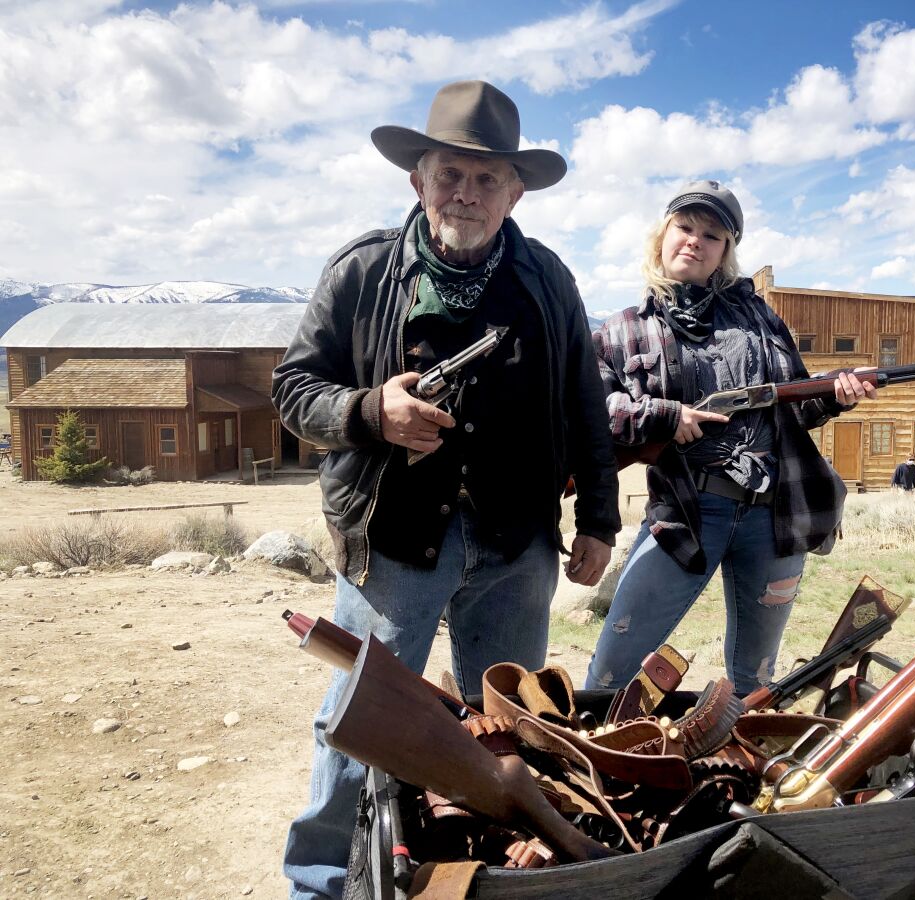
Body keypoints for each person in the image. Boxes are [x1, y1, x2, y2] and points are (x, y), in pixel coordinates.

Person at [272, 80, 620, 899]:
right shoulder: (362, 271)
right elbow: (293, 390)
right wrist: (370, 411)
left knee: (511, 728)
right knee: (357, 726)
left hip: (516, 544)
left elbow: (585, 405)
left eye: (485, 178)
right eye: (449, 175)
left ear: (515, 190)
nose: (465, 193)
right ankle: (318, 884)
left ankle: (495, 876)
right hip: (395, 540)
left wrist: (599, 517)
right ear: (417, 180)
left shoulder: (547, 279)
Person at [585, 181, 875, 696]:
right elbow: (593, 411)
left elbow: (797, 405)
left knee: (754, 680)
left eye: (712, 235)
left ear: (725, 253)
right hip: (686, 513)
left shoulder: (760, 318)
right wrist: (663, 416)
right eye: (686, 228)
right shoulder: (621, 330)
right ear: (663, 236)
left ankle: (739, 767)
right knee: (610, 674)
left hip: (774, 515)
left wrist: (838, 392)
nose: (695, 241)